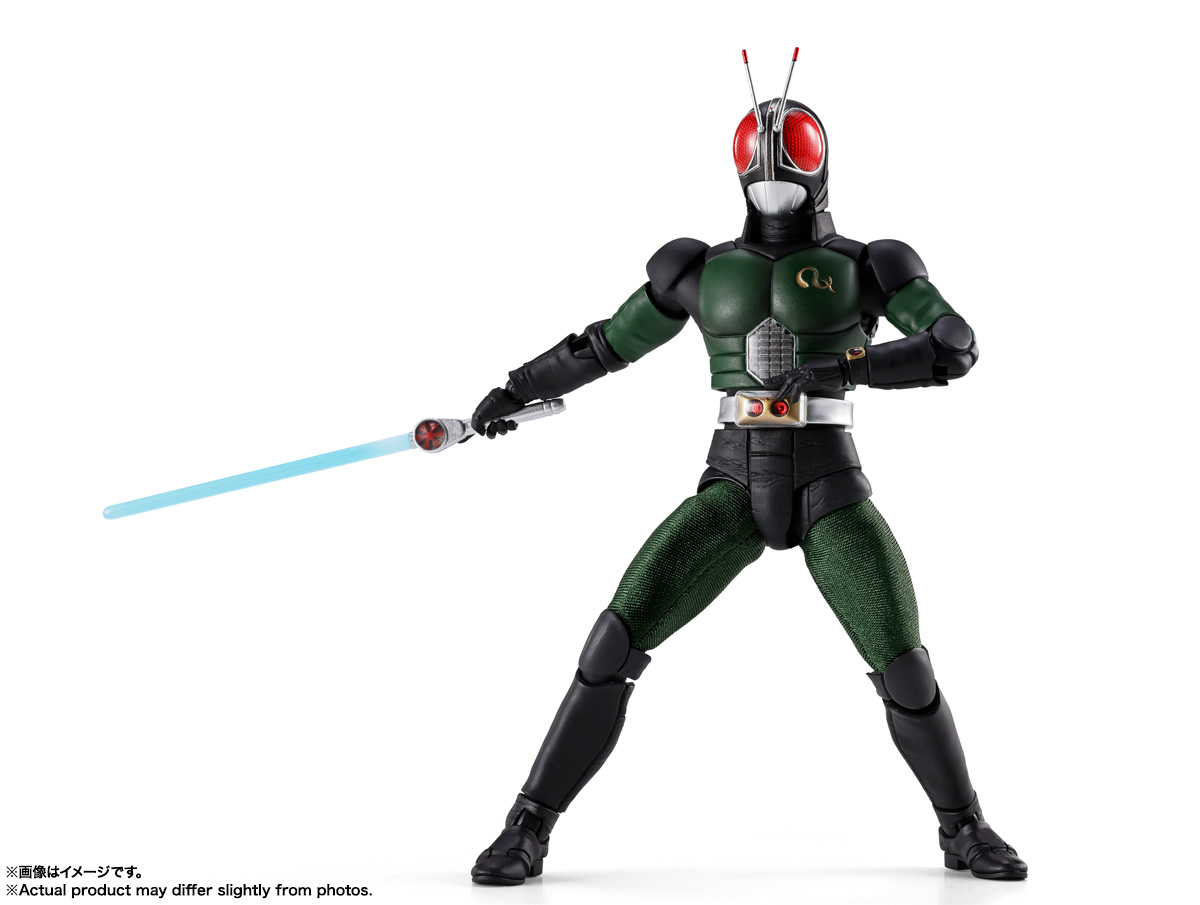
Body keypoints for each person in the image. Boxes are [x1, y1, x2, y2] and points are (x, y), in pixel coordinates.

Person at [467, 72, 1026, 886]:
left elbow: (955, 344)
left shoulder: (869, 264)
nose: (770, 162)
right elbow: (604, 344)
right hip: (732, 478)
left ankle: (963, 826)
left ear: (818, 158)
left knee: (904, 663)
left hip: (828, 478)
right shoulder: (697, 268)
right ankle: (528, 824)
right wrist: (517, 389)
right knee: (613, 641)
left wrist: (849, 366)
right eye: (757, 147)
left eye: (788, 145)